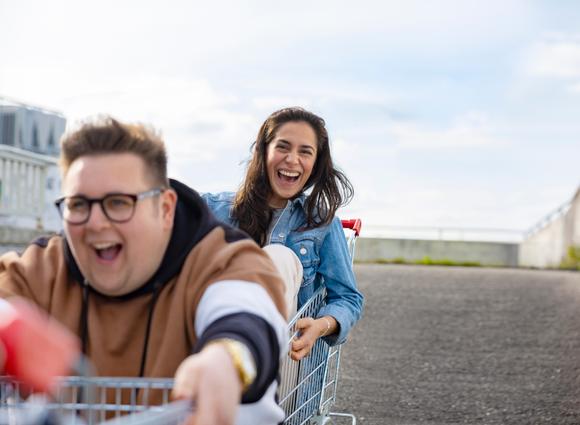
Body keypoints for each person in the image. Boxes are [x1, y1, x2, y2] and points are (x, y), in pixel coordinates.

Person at [0, 118, 288, 425]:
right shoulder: (43, 267)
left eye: (118, 202)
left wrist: (226, 359)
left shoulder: (222, 257)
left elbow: (244, 314)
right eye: (79, 204)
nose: (95, 223)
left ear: (164, 208)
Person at [203, 107, 363, 361]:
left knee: (278, 258)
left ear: (315, 163)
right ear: (263, 151)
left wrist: (320, 326)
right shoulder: (214, 210)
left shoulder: (321, 224)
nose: (292, 159)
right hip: (209, 348)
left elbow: (347, 298)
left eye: (305, 152)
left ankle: (239, 360)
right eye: (283, 147)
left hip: (285, 358)